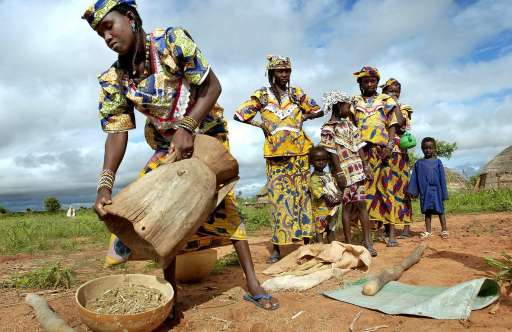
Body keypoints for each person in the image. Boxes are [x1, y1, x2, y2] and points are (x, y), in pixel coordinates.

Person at [82, 0, 278, 312]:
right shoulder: (114, 79)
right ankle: (171, 294)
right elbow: (117, 130)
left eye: (109, 26)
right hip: (166, 143)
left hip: (205, 135)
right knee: (161, 211)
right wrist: (105, 184)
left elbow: (212, 86)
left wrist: (188, 126)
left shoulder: (171, 42)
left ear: (130, 18)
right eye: (100, 34)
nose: (106, 37)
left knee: (222, 202)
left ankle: (252, 283)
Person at [234, 55, 323, 263]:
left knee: (303, 197)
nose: (284, 74)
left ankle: (307, 243)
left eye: (287, 71)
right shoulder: (262, 95)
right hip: (275, 155)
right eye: (280, 71)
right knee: (278, 200)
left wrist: (303, 117)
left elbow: (318, 110)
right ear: (272, 73)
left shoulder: (296, 93)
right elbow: (240, 115)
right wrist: (261, 125)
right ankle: (277, 247)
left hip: (300, 152)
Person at [351, 66, 405, 247]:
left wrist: (390, 146)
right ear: (360, 83)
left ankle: (391, 234)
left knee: (386, 190)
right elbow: (351, 126)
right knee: (365, 192)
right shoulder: (354, 102)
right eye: (365, 81)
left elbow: (394, 123)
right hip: (362, 151)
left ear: (376, 82)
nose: (369, 83)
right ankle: (368, 234)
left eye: (372, 81)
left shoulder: (385, 99)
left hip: (383, 151)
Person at [320, 91, 377, 256]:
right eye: (347, 105)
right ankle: (349, 245)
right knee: (347, 207)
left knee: (361, 205)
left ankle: (367, 241)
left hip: (357, 170)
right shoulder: (327, 128)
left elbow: (359, 145)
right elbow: (332, 152)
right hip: (344, 172)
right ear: (338, 106)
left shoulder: (349, 125)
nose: (349, 108)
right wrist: (339, 173)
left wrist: (366, 165)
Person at [380, 78, 414, 238]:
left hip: (399, 155)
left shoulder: (404, 109)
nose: (394, 95)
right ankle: (388, 226)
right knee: (387, 190)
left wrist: (394, 105)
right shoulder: (380, 107)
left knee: (403, 189)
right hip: (384, 154)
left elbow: (400, 123)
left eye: (396, 92)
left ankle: (406, 227)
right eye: (390, 91)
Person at [407, 137, 449, 239]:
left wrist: (444, 193)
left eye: (430, 148)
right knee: (427, 212)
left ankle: (444, 230)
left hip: (436, 191)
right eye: (425, 148)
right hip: (425, 191)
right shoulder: (419, 163)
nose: (428, 150)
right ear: (422, 149)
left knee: (441, 210)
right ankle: (428, 231)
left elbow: (442, 178)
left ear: (434, 149)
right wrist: (413, 192)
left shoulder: (438, 162)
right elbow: (414, 179)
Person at [308, 146, 341, 243]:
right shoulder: (314, 178)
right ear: (311, 162)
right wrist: (331, 199)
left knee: (331, 229)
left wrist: (338, 195)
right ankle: (320, 246)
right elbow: (320, 193)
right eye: (318, 160)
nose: (321, 162)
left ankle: (332, 246)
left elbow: (335, 187)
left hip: (332, 209)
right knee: (320, 229)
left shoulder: (328, 175)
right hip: (321, 210)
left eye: (323, 159)